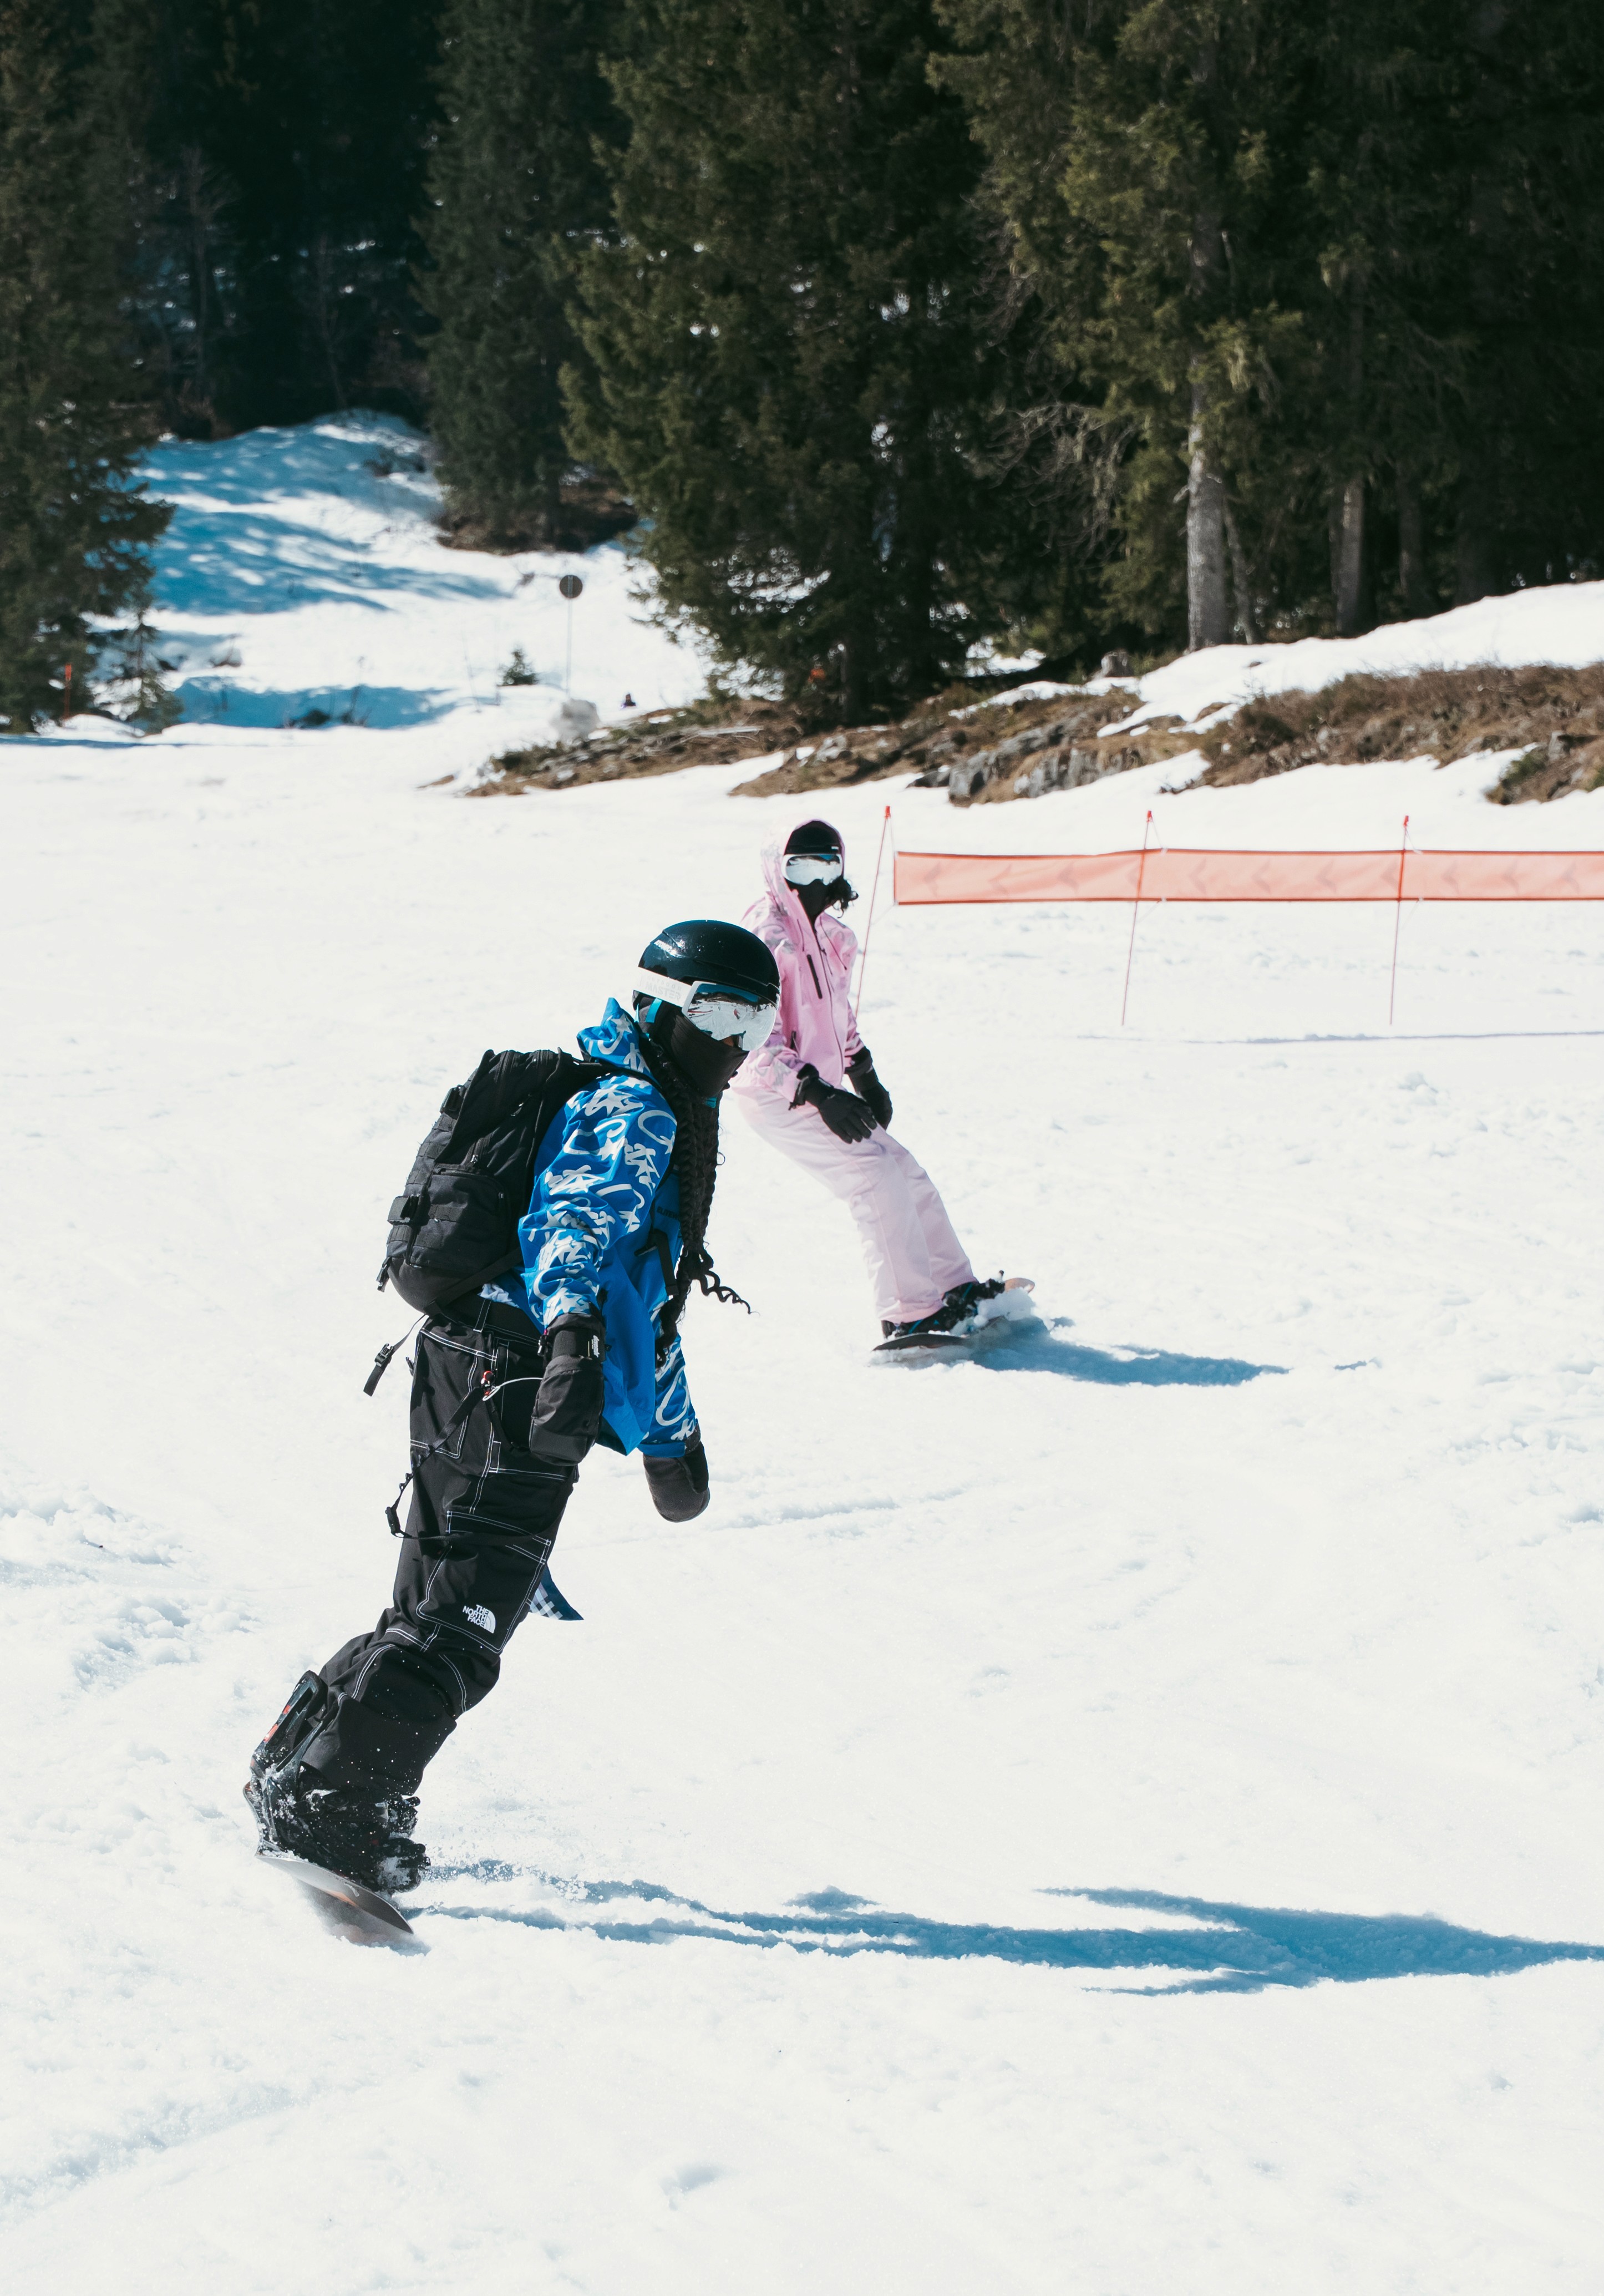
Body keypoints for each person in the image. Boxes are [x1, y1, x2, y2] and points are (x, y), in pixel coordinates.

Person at [245, 919, 780, 1895]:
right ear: (663, 1001)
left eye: (757, 1018)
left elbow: (646, 1297)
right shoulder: (639, 1106)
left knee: (434, 1602)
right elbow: (572, 1225)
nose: (737, 1042)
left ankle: (303, 1769)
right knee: (466, 1618)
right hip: (522, 1372)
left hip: (481, 1356)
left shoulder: (644, 1097)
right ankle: (335, 1808)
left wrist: (671, 1433)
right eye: (719, 1010)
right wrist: (570, 1339)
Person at [732, 818, 1004, 1342]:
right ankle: (907, 1313)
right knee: (872, 1178)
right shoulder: (764, 938)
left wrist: (864, 1073)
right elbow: (753, 1042)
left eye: (826, 864)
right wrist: (816, 1091)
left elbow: (837, 1015)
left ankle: (953, 1285)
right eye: (800, 865)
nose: (814, 879)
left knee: (906, 1171)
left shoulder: (832, 936)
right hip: (775, 1093)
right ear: (776, 869)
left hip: (822, 1088)